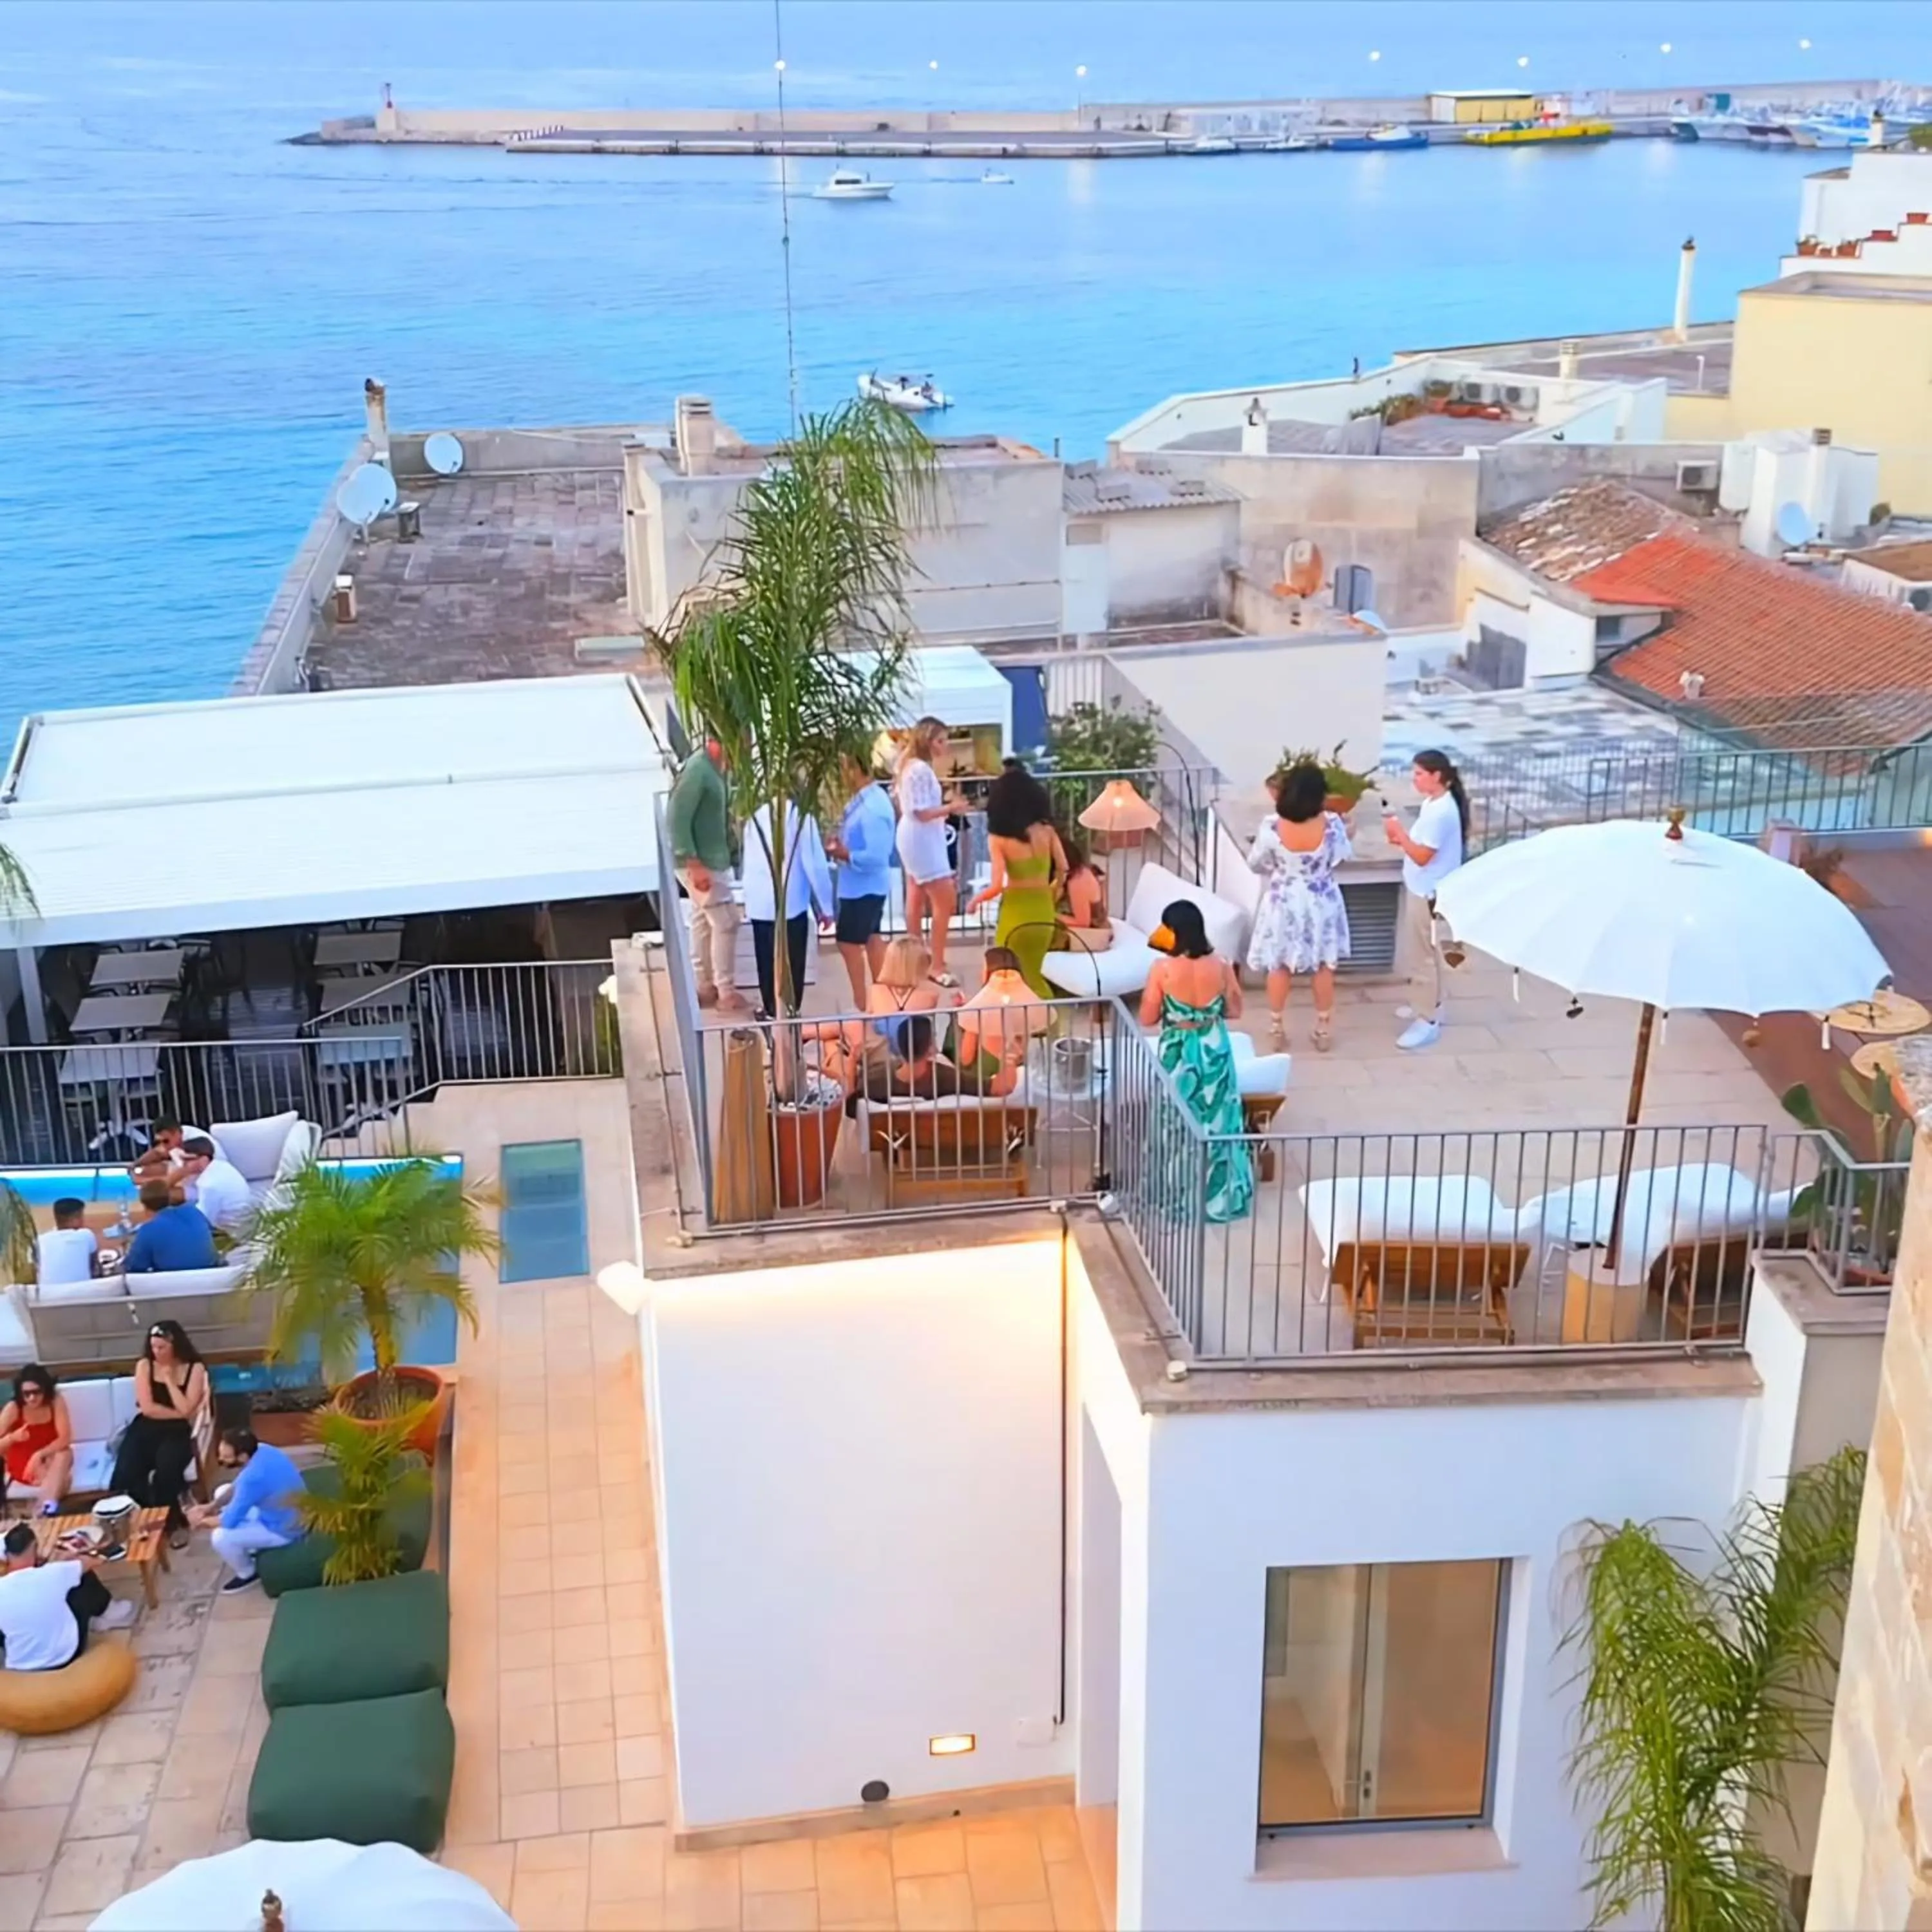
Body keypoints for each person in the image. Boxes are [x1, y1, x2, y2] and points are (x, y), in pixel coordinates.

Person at [1139, 901, 1254, 1224]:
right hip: (1213, 1045)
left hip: (1178, 1048)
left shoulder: (1162, 969)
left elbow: (1147, 1017)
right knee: (1219, 1117)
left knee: (1174, 1121)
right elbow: (1235, 1010)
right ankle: (1219, 1196)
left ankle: (1176, 1193)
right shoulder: (1222, 965)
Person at [1246, 761, 1353, 1052]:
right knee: (1324, 965)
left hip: (1284, 901)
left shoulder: (1271, 827)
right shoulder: (1332, 825)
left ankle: (1276, 1028)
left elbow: (1256, 863)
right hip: (1322, 899)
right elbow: (1342, 856)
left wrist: (1281, 868)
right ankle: (1322, 1029)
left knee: (1279, 964)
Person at [1381, 749, 1470, 1053]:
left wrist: (1400, 836)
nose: (1415, 780)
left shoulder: (1442, 811)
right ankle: (1428, 1002)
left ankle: (1427, 1018)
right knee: (1422, 951)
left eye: (1420, 774)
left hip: (1428, 892)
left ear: (1436, 776)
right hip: (1422, 887)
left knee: (1423, 957)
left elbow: (1422, 855)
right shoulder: (1434, 805)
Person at [967, 761, 1067, 997]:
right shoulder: (1047, 831)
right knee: (1034, 974)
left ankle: (1013, 1029)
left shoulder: (998, 838)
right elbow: (1064, 868)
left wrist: (975, 902)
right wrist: (1053, 891)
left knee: (1003, 977)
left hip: (1015, 914)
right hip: (1043, 911)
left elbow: (995, 886)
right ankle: (1048, 1025)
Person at [668, 734, 750, 1017]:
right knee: (726, 921)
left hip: (711, 858)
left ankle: (706, 985)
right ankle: (725, 990)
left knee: (703, 921)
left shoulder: (717, 770)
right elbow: (677, 816)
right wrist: (692, 862)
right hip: (700, 861)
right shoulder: (697, 771)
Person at [109, 1320, 209, 1544]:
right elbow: (149, 1408)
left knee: (167, 1470)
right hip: (147, 1426)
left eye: (162, 1348)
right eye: (153, 1347)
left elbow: (187, 1408)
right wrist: (180, 1413)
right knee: (130, 1468)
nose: (156, 1352)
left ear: (175, 1345)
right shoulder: (145, 1365)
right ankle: (148, 1517)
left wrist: (168, 1380)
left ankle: (172, 1521)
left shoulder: (194, 1368)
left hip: (176, 1432)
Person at [739, 797, 835, 1021]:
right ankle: (790, 1009)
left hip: (760, 903)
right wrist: (826, 907)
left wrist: (747, 900)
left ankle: (771, 1010)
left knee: (765, 959)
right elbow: (815, 865)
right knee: (792, 960)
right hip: (790, 905)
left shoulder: (756, 816)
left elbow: (749, 862)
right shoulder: (800, 817)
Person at [185, 1428, 304, 1595]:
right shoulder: (262, 1449)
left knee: (221, 1537)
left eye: (226, 1457)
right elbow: (237, 1487)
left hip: (285, 1529)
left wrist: (200, 1522)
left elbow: (227, 1521)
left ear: (242, 1456)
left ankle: (248, 1572)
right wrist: (210, 1507)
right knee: (222, 1492)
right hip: (283, 1511)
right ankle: (252, 1546)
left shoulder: (254, 1478)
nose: (221, 1460)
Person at [0, 1520, 133, 1670]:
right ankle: (109, 1612)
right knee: (80, 1579)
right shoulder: (54, 1573)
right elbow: (92, 1562)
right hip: (65, 1655)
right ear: (34, 1548)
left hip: (21, 1664)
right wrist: (69, 1558)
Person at [826, 753, 896, 1009]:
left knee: (849, 942)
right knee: (871, 938)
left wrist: (845, 853)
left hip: (864, 887)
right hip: (859, 884)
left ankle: (864, 1001)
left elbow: (877, 856)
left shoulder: (873, 807)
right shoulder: (862, 800)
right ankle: (880, 997)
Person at [894, 717, 960, 983]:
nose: (945, 746)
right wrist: (950, 809)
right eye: (940, 741)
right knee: (945, 900)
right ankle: (936, 963)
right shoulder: (918, 769)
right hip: (922, 838)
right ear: (928, 742)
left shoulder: (907, 765)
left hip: (917, 836)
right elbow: (920, 812)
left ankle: (918, 958)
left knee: (916, 896)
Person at [0, 1367, 73, 1511]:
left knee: (64, 1454)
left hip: (49, 1454)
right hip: (25, 1462)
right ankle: (45, 1508)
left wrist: (39, 1454)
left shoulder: (55, 1402)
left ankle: (43, 1509)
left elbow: (65, 1438)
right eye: (27, 1394)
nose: (32, 1398)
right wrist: (12, 1438)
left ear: (45, 1389)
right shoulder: (14, 1408)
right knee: (64, 1481)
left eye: (36, 1392)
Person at [121, 1182, 218, 1274]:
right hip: (212, 1277)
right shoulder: (195, 1212)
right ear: (169, 1199)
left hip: (171, 1284)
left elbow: (135, 1268)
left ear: (145, 1206)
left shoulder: (148, 1230)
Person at [175, 1135, 252, 1235]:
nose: (183, 1165)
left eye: (188, 1160)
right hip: (244, 1225)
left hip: (233, 1235)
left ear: (204, 1159)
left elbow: (201, 1222)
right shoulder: (221, 1166)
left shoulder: (209, 1185)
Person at [1056, 824, 1111, 951]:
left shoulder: (1078, 881)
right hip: (1085, 930)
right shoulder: (1077, 873)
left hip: (1092, 935)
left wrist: (1050, 915)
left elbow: (1082, 923)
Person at [129, 1119, 225, 1189]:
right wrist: (135, 1165)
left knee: (156, 1181)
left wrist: (140, 1180)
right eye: (159, 1142)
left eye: (166, 1141)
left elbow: (170, 1181)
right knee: (148, 1170)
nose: (163, 1146)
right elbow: (157, 1152)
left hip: (213, 1179)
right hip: (200, 1174)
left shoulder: (198, 1151)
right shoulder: (178, 1136)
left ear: (177, 1134)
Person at [34, 1199, 99, 1287]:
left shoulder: (40, 1240)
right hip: (83, 1295)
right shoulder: (86, 1235)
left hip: (47, 1296)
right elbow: (94, 1266)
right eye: (82, 1216)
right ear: (76, 1219)